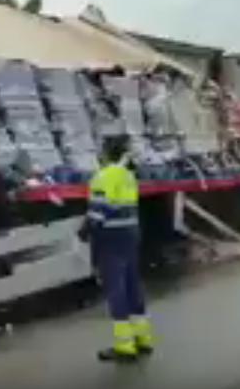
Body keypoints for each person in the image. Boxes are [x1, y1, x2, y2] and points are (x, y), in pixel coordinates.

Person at [85, 136, 155, 363]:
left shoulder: (102, 176)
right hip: (130, 235)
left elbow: (98, 213)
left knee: (116, 290)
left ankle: (124, 347)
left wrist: (85, 232)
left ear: (105, 153)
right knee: (133, 287)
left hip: (111, 237)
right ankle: (143, 340)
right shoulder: (128, 175)